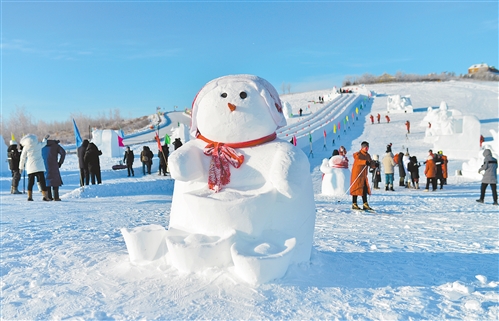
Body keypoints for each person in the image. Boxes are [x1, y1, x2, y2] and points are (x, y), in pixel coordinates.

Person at [19, 134, 50, 201]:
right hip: (39, 167)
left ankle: (30, 197)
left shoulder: (26, 147)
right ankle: (45, 196)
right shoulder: (38, 145)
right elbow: (44, 143)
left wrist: (21, 167)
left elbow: (22, 158)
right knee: (42, 182)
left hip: (30, 167)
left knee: (30, 182)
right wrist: (45, 138)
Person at [350, 141, 375, 210]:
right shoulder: (358, 154)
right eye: (365, 147)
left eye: (367, 147)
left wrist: (374, 165)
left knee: (364, 189)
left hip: (363, 175)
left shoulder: (367, 155)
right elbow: (358, 161)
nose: (367, 149)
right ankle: (354, 203)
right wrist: (365, 162)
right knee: (356, 188)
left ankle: (365, 203)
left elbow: (370, 162)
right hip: (357, 174)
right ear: (362, 147)